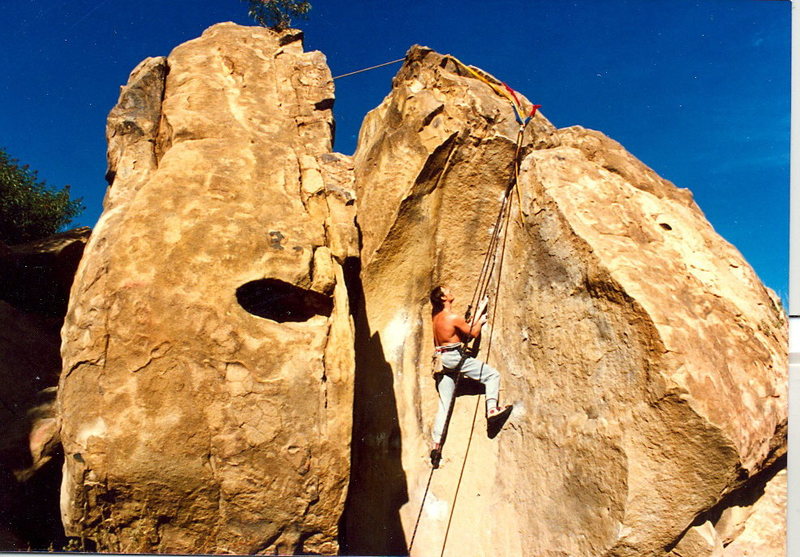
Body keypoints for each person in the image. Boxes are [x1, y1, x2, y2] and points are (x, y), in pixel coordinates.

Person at [429, 285, 512, 457]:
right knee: (492, 375)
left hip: (441, 361)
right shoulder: (452, 317)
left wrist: (480, 309)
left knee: (445, 405)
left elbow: (458, 333)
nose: (451, 291)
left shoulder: (436, 317)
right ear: (443, 298)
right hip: (453, 357)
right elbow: (471, 334)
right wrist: (480, 321)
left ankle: (436, 445)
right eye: (447, 291)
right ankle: (491, 410)